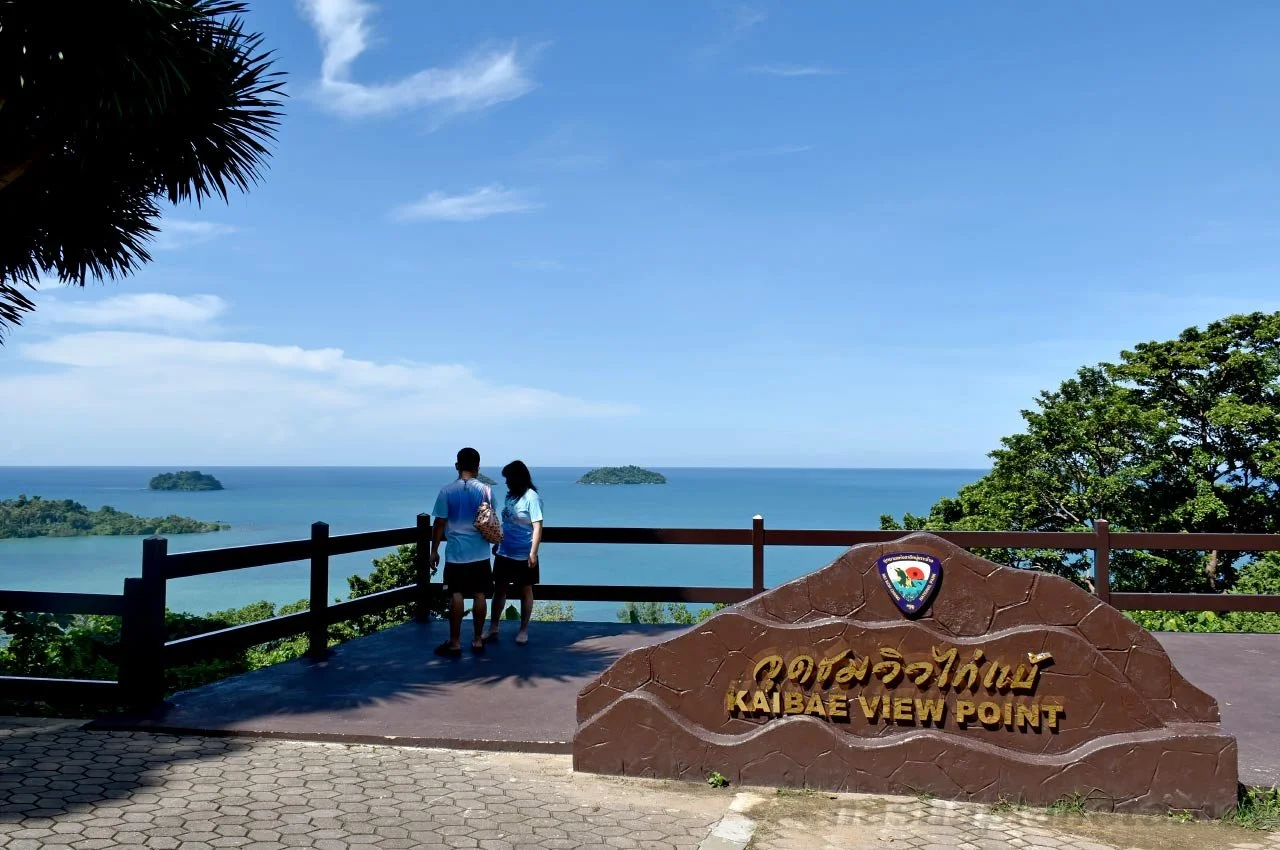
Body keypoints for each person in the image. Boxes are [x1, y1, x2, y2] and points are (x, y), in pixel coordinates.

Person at [430, 447, 494, 656]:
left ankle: (455, 642)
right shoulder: (486, 490)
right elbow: (490, 521)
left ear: (457, 465)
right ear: (477, 467)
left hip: (456, 552)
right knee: (480, 594)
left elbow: (439, 523)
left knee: (455, 593)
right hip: (481, 552)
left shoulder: (447, 491)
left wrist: (434, 550)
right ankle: (477, 640)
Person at [486, 460, 544, 646]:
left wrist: (533, 553)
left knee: (525, 590)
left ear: (517, 478)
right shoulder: (510, 497)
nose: (506, 482)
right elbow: (507, 523)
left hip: (523, 553)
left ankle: (523, 630)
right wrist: (498, 542)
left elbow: (537, 526)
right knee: (499, 588)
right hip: (504, 551)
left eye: (508, 478)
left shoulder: (531, 498)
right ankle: (493, 627)